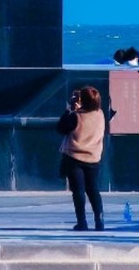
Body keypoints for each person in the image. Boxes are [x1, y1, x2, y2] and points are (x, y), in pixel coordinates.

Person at [56, 85, 106, 231]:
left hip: (75, 157)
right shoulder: (100, 114)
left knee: (78, 191)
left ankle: (82, 222)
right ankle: (99, 220)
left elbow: (61, 128)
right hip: (93, 158)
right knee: (93, 190)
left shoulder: (76, 116)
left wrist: (70, 108)